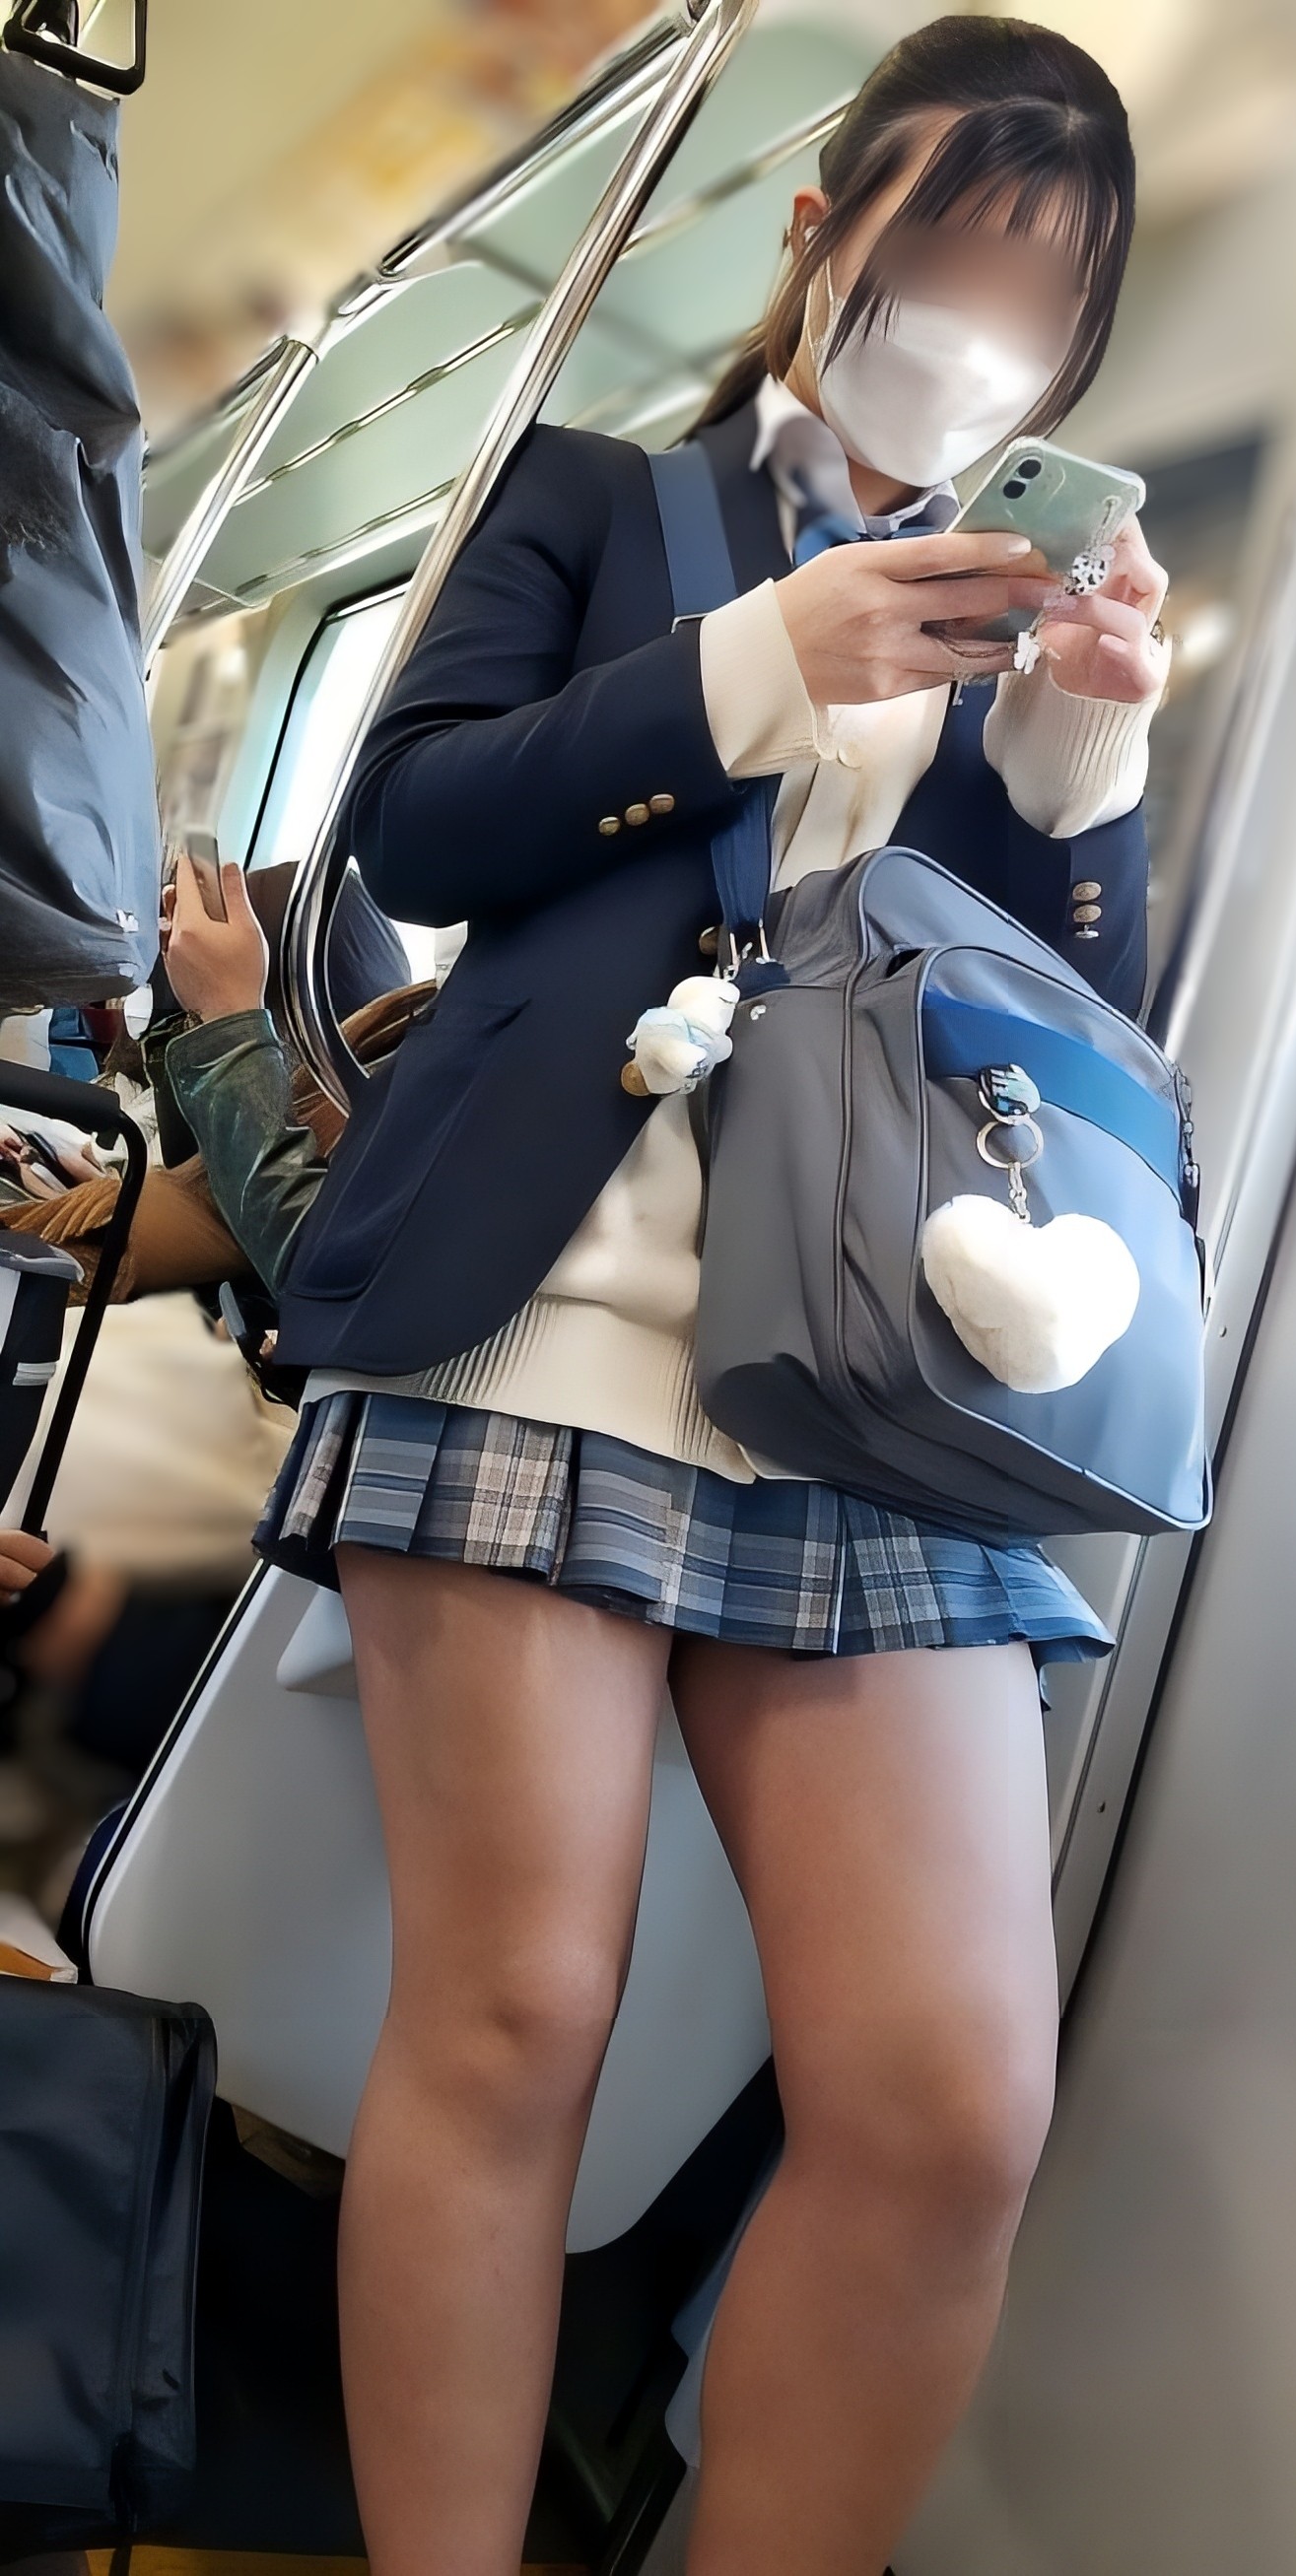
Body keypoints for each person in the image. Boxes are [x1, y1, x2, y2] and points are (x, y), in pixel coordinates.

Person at [165, 21, 1168, 2572]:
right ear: (825, 235)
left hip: (876, 1372)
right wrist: (764, 664)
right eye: (946, 253)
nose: (978, 328)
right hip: (558, 1313)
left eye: (1041, 300)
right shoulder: (601, 503)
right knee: (515, 2020)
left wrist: (1084, 776)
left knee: (950, 2108)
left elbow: (1074, 1034)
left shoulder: (1019, 615)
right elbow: (418, 823)